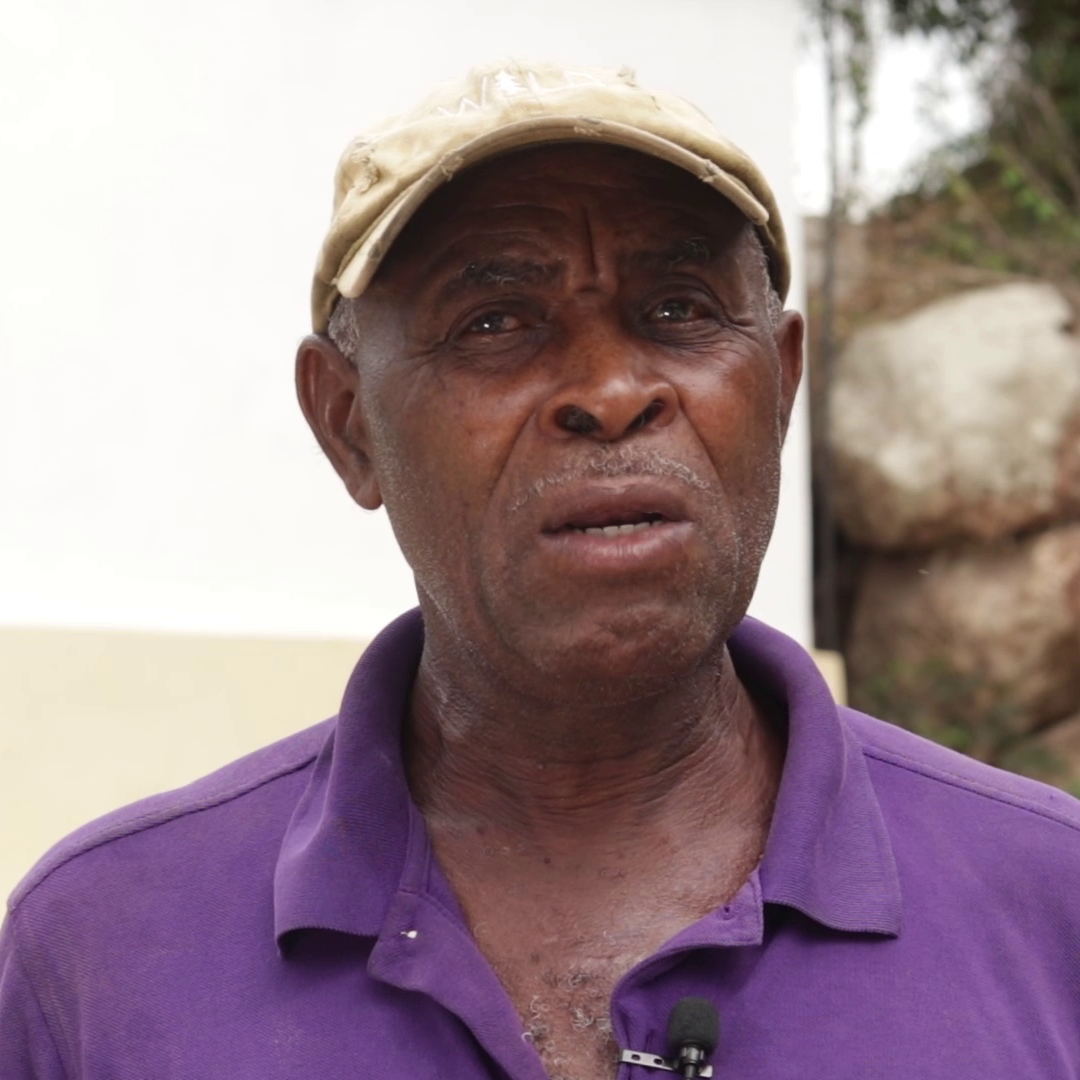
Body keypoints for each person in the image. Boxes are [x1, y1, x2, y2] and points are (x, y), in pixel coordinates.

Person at [3, 61, 1080, 1080]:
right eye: (495, 322)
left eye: (680, 309)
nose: (610, 391)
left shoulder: (1051, 907)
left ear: (782, 385)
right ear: (348, 424)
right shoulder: (104, 951)